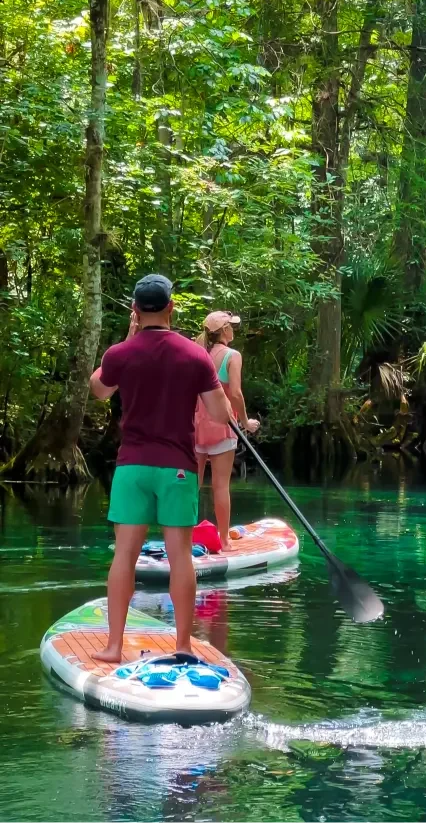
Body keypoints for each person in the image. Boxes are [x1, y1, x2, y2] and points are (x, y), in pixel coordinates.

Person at [89, 274, 232, 663]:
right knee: (180, 555)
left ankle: (113, 647)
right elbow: (220, 413)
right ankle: (182, 645)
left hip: (132, 468)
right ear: (171, 307)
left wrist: (125, 339)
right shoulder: (195, 355)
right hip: (178, 469)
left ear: (135, 310)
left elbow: (99, 389)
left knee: (124, 555)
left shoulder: (119, 354)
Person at [194, 311, 259, 551]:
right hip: (222, 426)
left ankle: (183, 537)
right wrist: (245, 422)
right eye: (231, 326)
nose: (234, 330)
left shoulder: (196, 352)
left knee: (192, 485)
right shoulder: (232, 355)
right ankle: (223, 541)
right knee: (220, 486)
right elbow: (236, 394)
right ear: (223, 330)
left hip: (195, 427)